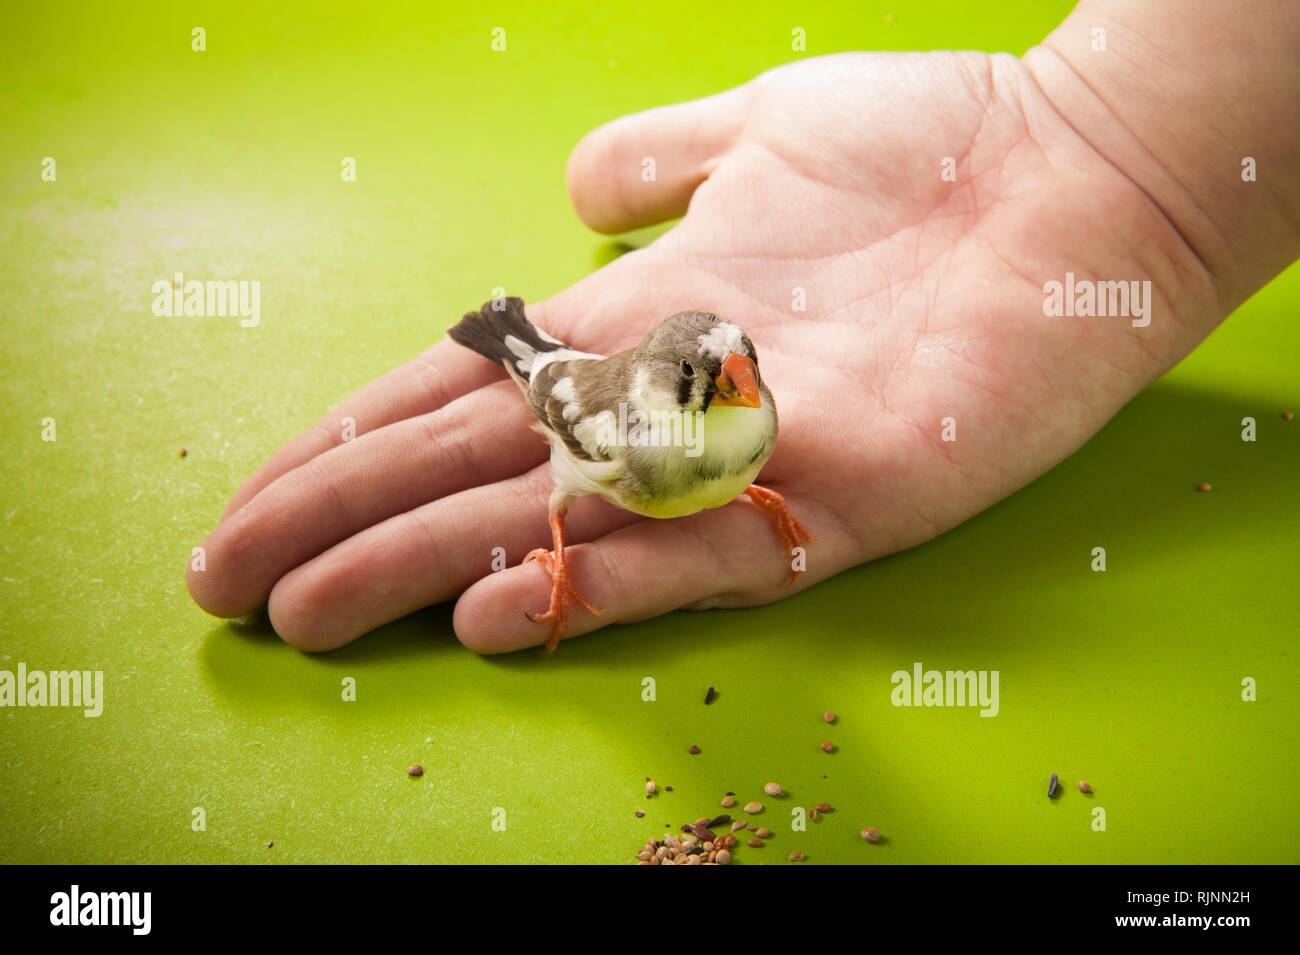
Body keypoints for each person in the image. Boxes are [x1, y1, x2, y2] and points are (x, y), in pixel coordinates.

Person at [186, 0, 1300, 653]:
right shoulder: (617, 437)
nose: (735, 392)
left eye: (741, 372)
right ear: (663, 390)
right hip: (564, 392)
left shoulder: (759, 423)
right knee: (560, 494)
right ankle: (507, 337)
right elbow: (564, 459)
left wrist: (1142, 152)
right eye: (710, 379)